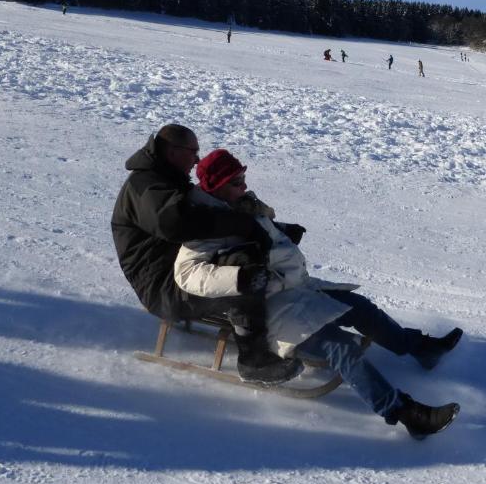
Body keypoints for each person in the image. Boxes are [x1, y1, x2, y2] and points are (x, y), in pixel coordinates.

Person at [175, 150, 463, 439]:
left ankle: (419, 348)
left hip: (294, 287)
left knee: (361, 308)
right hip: (265, 308)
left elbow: (255, 233)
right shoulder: (205, 221)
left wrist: (282, 229)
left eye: (243, 178)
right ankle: (406, 413)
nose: (244, 185)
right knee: (341, 347)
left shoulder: (239, 204)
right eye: (236, 181)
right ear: (216, 186)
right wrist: (241, 278)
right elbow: (187, 273)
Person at [111, 124, 301, 385]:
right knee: (240, 272)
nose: (197, 159)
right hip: (163, 288)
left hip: (180, 273)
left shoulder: (166, 180)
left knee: (246, 256)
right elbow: (176, 223)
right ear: (173, 152)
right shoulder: (146, 186)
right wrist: (243, 225)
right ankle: (254, 360)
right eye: (193, 152)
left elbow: (211, 215)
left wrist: (273, 229)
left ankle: (275, 326)